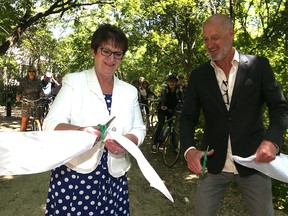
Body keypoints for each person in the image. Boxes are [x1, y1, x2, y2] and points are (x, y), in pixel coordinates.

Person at [179, 14, 288, 216]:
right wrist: (189, 150)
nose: (209, 44)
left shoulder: (259, 66)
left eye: (215, 37)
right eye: (205, 39)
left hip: (255, 164)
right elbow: (187, 117)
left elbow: (280, 108)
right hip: (212, 165)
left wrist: (272, 141)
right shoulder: (198, 76)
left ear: (231, 34)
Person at [42, 24, 146, 216]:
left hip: (114, 177)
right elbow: (50, 124)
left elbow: (139, 129)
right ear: (94, 51)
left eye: (118, 53)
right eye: (106, 51)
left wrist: (127, 142)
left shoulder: (130, 91)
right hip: (74, 175)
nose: (111, 58)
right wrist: (81, 132)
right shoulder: (74, 81)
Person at [152, 73, 183, 152]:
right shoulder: (165, 89)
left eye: (173, 81)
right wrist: (163, 105)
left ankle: (175, 147)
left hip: (171, 110)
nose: (172, 83)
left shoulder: (178, 90)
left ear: (176, 82)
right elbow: (163, 97)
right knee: (161, 124)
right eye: (170, 81)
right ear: (167, 82)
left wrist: (182, 108)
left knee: (172, 127)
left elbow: (181, 100)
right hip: (162, 109)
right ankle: (154, 143)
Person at [16, 65, 44, 131]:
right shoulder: (23, 80)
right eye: (30, 71)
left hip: (36, 101)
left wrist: (42, 94)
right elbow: (19, 91)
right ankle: (21, 136)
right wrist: (18, 96)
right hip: (26, 102)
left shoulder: (38, 81)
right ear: (27, 72)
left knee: (39, 120)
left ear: (35, 72)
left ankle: (41, 133)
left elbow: (41, 90)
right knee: (24, 121)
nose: (31, 73)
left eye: (33, 71)